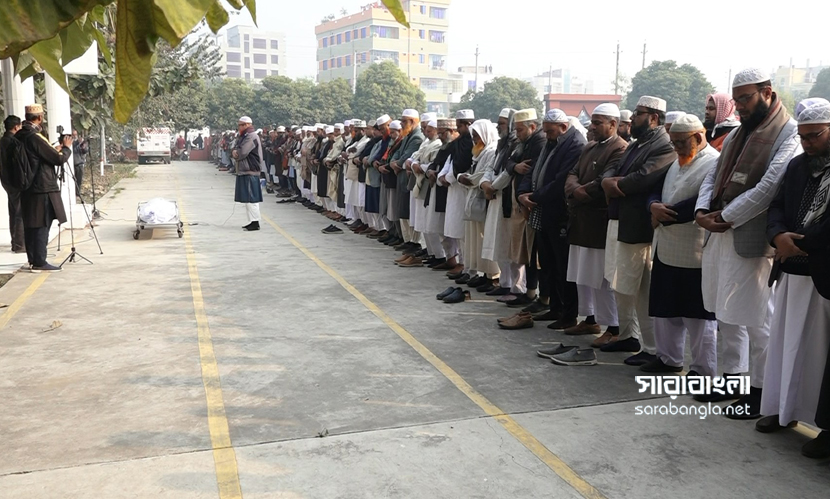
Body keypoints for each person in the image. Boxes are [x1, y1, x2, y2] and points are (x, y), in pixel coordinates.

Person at [695, 68, 801, 419]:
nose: (739, 106)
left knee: (758, 320)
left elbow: (770, 186)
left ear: (767, 92)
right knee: (727, 314)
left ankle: (760, 392)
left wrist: (727, 217)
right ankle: (733, 379)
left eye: (746, 98)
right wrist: (702, 210)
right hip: (720, 232)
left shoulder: (789, 132)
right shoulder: (740, 131)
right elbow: (714, 172)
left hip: (751, 239)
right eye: (736, 99)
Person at [758, 99, 830, 459]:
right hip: (791, 270)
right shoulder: (798, 166)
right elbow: (777, 208)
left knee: (821, 355)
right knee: (785, 345)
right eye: (802, 136)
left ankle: (824, 428)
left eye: (814, 135)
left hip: (823, 275)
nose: (807, 143)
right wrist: (777, 236)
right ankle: (781, 409)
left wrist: (798, 244)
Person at [601, 96, 677, 366]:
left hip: (642, 228)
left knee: (643, 291)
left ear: (654, 118)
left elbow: (644, 177)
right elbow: (614, 167)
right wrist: (611, 180)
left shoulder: (664, 145)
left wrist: (615, 185)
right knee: (622, 285)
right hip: (623, 222)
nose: (632, 119)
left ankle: (652, 347)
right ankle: (627, 336)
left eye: (638, 114)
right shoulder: (637, 144)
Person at [643, 114, 719, 375]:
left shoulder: (713, 163)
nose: (675, 147)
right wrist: (653, 205)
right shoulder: (678, 160)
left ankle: (702, 369)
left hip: (693, 251)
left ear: (698, 137)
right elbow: (655, 188)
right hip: (665, 248)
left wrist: (666, 215)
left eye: (680, 142)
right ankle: (668, 359)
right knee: (666, 311)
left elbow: (704, 201)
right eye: (673, 142)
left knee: (697, 316)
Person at [560, 103, 627, 347]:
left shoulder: (620, 148)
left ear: (613, 124)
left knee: (602, 279)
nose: (593, 126)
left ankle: (614, 327)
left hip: (598, 222)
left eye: (598, 122)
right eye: (593, 121)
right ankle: (589, 318)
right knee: (583, 275)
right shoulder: (589, 147)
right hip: (581, 221)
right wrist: (575, 189)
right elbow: (572, 173)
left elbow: (604, 181)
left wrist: (579, 192)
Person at [515, 109, 587, 332]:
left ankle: (567, 314)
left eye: (550, 131)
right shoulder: (552, 141)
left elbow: (560, 181)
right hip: (543, 212)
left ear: (563, 128)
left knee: (562, 266)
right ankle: (555, 308)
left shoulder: (574, 144)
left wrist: (533, 197)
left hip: (559, 214)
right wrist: (523, 192)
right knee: (548, 263)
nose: (546, 135)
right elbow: (534, 170)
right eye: (545, 131)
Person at [500, 108, 547, 310]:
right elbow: (509, 161)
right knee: (526, 250)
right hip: (520, 201)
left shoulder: (539, 142)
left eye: (520, 130)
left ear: (533, 127)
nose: (516, 134)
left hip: (532, 203)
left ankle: (536, 294)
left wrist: (524, 194)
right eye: (516, 129)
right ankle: (529, 292)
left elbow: (533, 171)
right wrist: (515, 167)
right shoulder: (522, 143)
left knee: (534, 252)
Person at [16, 104, 71, 272]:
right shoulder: (35, 136)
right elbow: (58, 159)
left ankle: (33, 260)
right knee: (42, 224)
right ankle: (40, 261)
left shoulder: (19, 135)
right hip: (42, 187)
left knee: (31, 224)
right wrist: (66, 148)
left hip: (27, 187)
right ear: (40, 117)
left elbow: (35, 156)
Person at [456, 119, 500, 292]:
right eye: (473, 136)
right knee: (476, 240)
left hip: (485, 200)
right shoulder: (480, 152)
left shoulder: (491, 151)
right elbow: (474, 174)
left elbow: (482, 175)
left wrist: (464, 178)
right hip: (474, 197)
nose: (474, 139)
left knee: (486, 239)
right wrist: (462, 176)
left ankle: (493, 277)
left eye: (477, 136)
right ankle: (483, 274)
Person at [233, 116, 265, 231]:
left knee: (252, 198)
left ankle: (255, 222)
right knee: (248, 198)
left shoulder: (251, 136)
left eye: (241, 125)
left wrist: (236, 152)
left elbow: (242, 152)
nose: (239, 127)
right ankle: (252, 220)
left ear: (247, 125)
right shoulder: (245, 136)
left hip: (250, 170)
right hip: (246, 170)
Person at [0, 115, 26, 254]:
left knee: (14, 211)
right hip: (15, 181)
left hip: (7, 181)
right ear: (16, 127)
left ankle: (16, 242)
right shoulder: (13, 142)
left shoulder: (3, 140)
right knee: (19, 212)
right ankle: (19, 244)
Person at [71, 130, 88, 194]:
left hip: (79, 164)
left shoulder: (80, 143)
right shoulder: (71, 142)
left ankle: (77, 193)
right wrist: (77, 142)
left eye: (76, 134)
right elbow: (72, 146)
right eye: (73, 134)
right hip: (73, 164)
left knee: (79, 180)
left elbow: (85, 151)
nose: (75, 136)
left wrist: (83, 147)